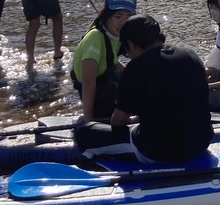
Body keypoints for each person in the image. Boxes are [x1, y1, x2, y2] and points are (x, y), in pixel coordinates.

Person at [74, 15, 212, 163]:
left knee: (84, 133)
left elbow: (118, 122)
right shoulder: (191, 55)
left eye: (127, 51)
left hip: (157, 151)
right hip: (202, 141)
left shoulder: (136, 67)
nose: (128, 56)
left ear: (131, 45)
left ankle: (90, 164)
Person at [71, 0, 137, 122]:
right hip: (96, 93)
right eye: (117, 17)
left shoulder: (115, 34)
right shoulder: (95, 37)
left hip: (107, 80)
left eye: (128, 17)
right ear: (107, 15)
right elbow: (88, 82)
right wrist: (89, 121)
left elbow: (112, 60)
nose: (122, 22)